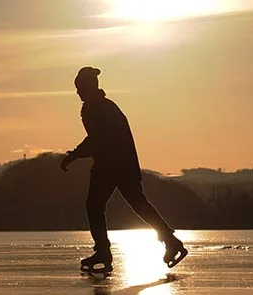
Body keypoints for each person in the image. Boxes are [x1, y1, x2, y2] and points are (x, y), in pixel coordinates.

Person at [60, 66, 188, 272]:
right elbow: (97, 139)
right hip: (122, 165)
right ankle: (170, 240)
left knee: (95, 206)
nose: (77, 92)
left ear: (89, 86)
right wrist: (77, 154)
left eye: (79, 87)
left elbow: (96, 140)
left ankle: (103, 251)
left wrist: (74, 155)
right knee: (137, 203)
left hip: (111, 166)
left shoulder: (96, 108)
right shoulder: (105, 106)